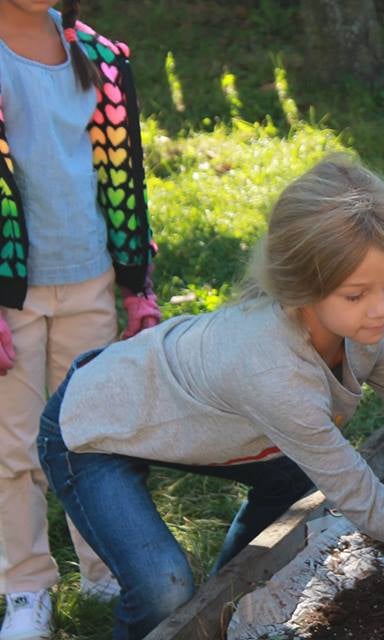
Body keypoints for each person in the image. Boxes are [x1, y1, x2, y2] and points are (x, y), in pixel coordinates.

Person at [37, 154, 384, 639]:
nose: (381, 308)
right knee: (162, 589)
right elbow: (369, 508)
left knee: (294, 480)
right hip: (91, 426)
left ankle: (220, 603)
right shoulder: (275, 373)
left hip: (178, 412)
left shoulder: (364, 331)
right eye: (355, 294)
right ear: (302, 289)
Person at [0, 1, 160, 636]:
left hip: (89, 277)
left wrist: (134, 286)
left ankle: (103, 570)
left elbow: (124, 175)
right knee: (14, 448)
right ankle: (25, 586)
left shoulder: (96, 56)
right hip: (10, 297)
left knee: (90, 436)